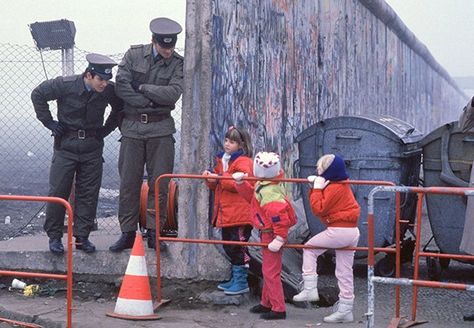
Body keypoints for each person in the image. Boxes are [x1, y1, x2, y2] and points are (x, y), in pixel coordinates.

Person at [31, 53, 123, 255]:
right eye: (100, 79)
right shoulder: (65, 84)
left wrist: (105, 130)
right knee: (58, 191)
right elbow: (37, 94)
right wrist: (50, 123)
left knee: (89, 193)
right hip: (66, 147)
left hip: (92, 148)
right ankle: (54, 237)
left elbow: (119, 109)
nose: (104, 84)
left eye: (107, 80)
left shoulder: (108, 90)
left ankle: (82, 237)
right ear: (88, 75)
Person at [109, 17, 184, 252]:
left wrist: (141, 87)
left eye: (171, 47)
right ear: (154, 41)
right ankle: (127, 233)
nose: (168, 51)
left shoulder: (178, 63)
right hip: (132, 128)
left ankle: (154, 232)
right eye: (164, 47)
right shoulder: (133, 55)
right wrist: (147, 101)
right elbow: (121, 86)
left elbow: (172, 94)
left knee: (159, 184)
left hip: (161, 129)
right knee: (129, 183)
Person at [292, 154, 360, 323]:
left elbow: (318, 209)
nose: (318, 170)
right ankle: (346, 309)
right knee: (344, 272)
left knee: (309, 248)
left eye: (320, 168)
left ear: (329, 171)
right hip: (351, 231)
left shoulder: (333, 187)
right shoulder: (341, 184)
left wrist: (315, 189)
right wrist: (317, 186)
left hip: (339, 231)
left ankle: (309, 288)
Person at [232, 152, 297, 320]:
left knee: (271, 272)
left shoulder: (268, 191)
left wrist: (280, 237)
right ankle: (267, 302)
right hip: (268, 232)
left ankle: (278, 308)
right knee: (269, 270)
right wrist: (241, 183)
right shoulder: (267, 184)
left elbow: (279, 217)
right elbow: (253, 199)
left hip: (271, 234)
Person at [202, 126, 254, 295]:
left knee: (237, 247)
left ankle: (241, 281)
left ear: (241, 144)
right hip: (228, 213)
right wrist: (210, 179)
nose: (227, 144)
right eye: (226, 140)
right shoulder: (223, 160)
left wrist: (219, 178)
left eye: (232, 141)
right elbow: (219, 185)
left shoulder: (244, 162)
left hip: (239, 214)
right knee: (230, 246)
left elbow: (239, 184)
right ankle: (235, 278)